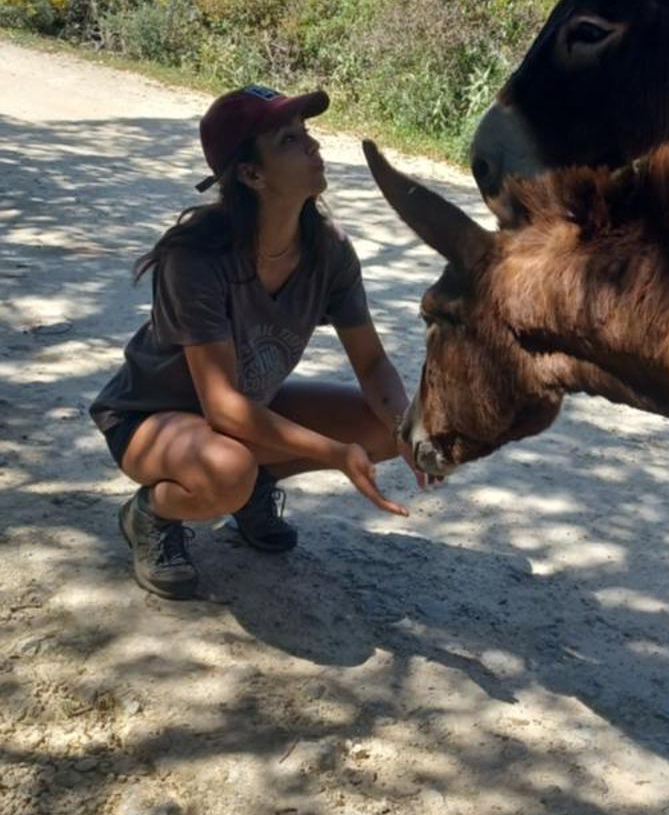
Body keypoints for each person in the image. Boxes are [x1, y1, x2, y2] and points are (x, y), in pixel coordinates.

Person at [90, 84, 422, 599]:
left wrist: (408, 428)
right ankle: (151, 514)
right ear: (251, 174)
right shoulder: (197, 257)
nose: (313, 146)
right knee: (228, 470)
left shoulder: (328, 252)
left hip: (244, 410)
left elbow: (374, 364)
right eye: (290, 140)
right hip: (150, 419)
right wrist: (334, 453)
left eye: (307, 133)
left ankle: (250, 490)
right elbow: (221, 406)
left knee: (380, 431)